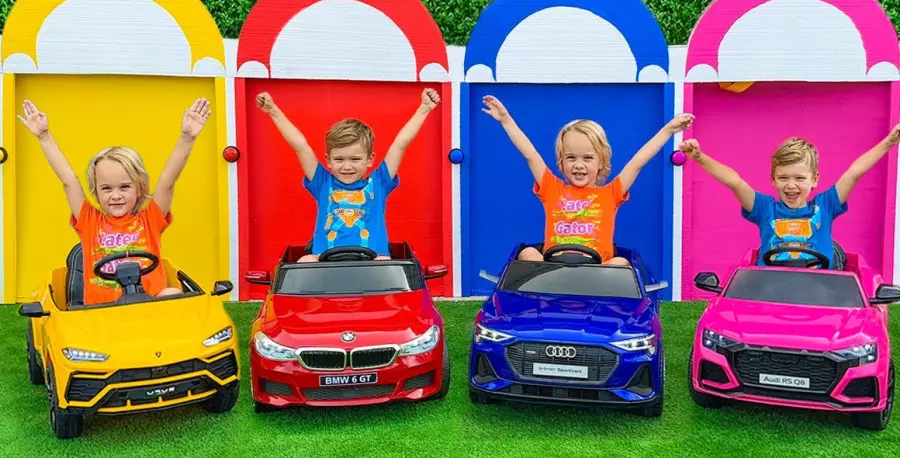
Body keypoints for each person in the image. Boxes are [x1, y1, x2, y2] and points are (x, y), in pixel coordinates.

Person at [18, 98, 212, 305]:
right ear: (96, 192)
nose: (116, 195)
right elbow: (69, 181)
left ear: (139, 188)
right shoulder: (89, 221)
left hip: (151, 311)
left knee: (171, 292)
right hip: (101, 315)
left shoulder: (150, 219)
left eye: (124, 187)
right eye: (107, 188)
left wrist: (187, 138)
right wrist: (44, 136)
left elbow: (167, 182)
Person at [482, 95, 693, 265]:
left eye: (588, 158)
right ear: (561, 162)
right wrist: (506, 120)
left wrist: (668, 129)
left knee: (620, 262)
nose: (579, 165)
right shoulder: (551, 188)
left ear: (601, 162)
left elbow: (638, 161)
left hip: (596, 273)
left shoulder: (611, 193)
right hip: (552, 270)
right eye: (571, 158)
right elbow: (530, 155)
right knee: (527, 252)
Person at [257, 88, 440, 261]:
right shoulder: (322, 183)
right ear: (328, 160)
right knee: (306, 260)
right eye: (339, 159)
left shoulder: (379, 182)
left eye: (355, 159)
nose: (346, 166)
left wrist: (424, 109)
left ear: (370, 159)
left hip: (373, 266)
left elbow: (400, 143)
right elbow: (300, 145)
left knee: (384, 260)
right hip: (326, 266)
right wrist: (273, 110)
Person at [678, 125, 900, 267]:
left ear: (814, 179)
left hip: (820, 289)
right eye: (783, 178)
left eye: (799, 178)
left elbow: (854, 173)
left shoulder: (826, 205)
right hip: (772, 288)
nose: (791, 185)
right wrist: (700, 157)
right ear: (773, 179)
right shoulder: (765, 208)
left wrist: (889, 142)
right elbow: (735, 181)